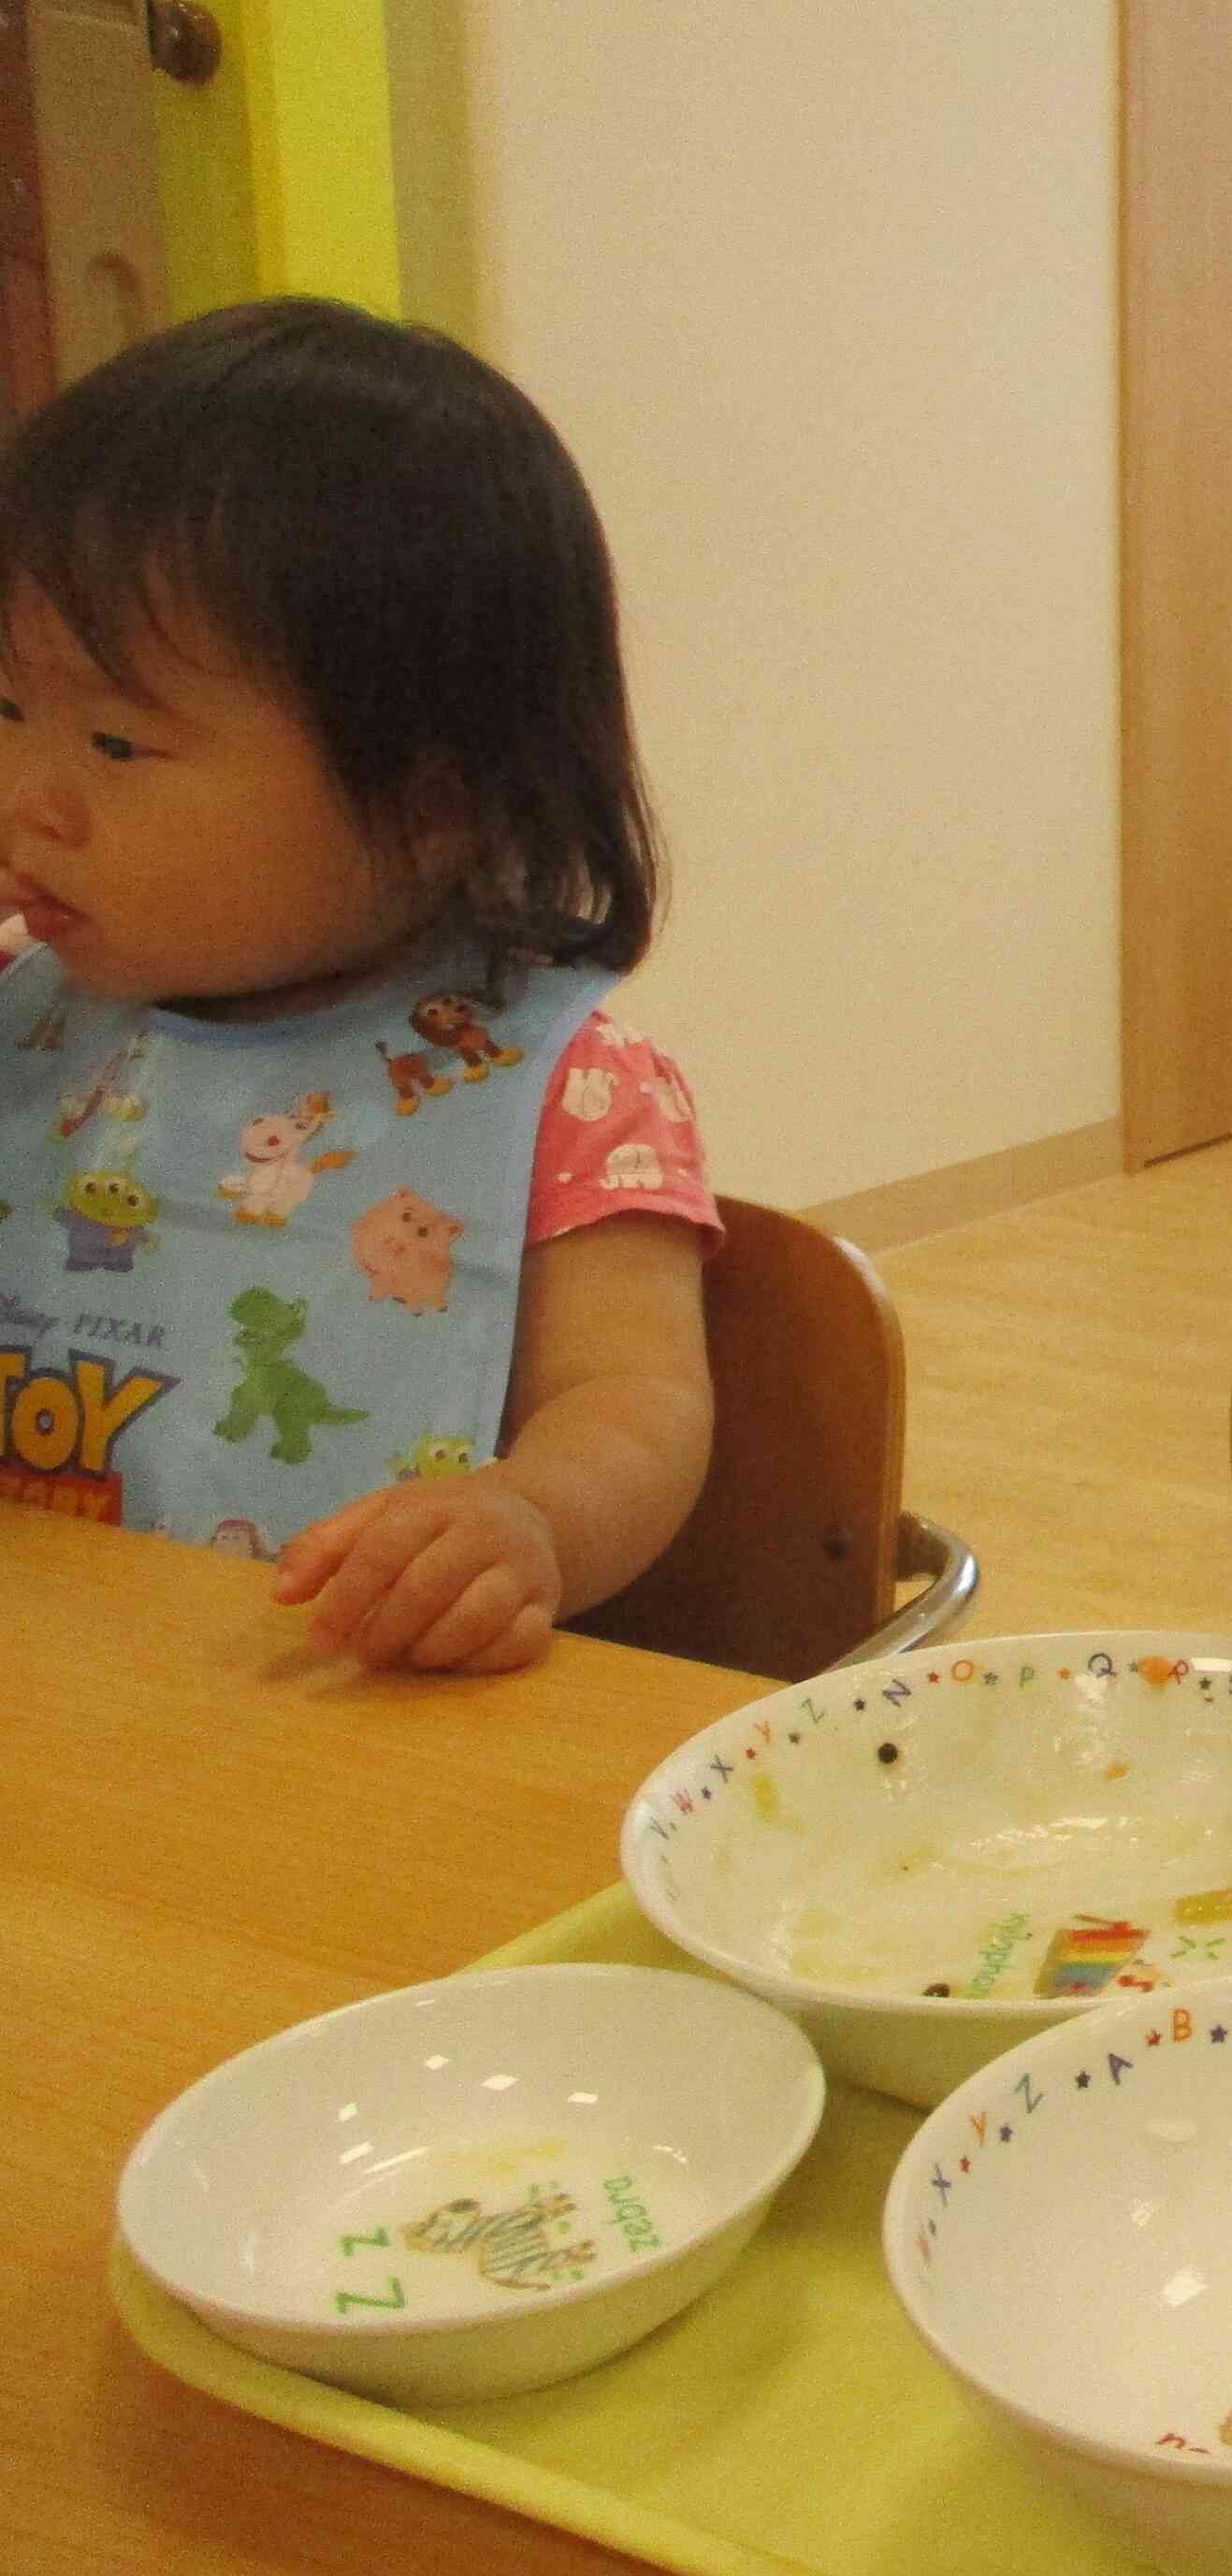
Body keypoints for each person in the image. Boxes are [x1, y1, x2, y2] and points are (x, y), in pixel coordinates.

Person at [0, 296, 715, 1673]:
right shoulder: (29, 1017)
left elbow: (635, 1397)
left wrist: (528, 1518)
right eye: (7, 709)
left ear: (431, 804)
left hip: (347, 1715)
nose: (31, 800)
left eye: (114, 741)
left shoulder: (559, 1085)